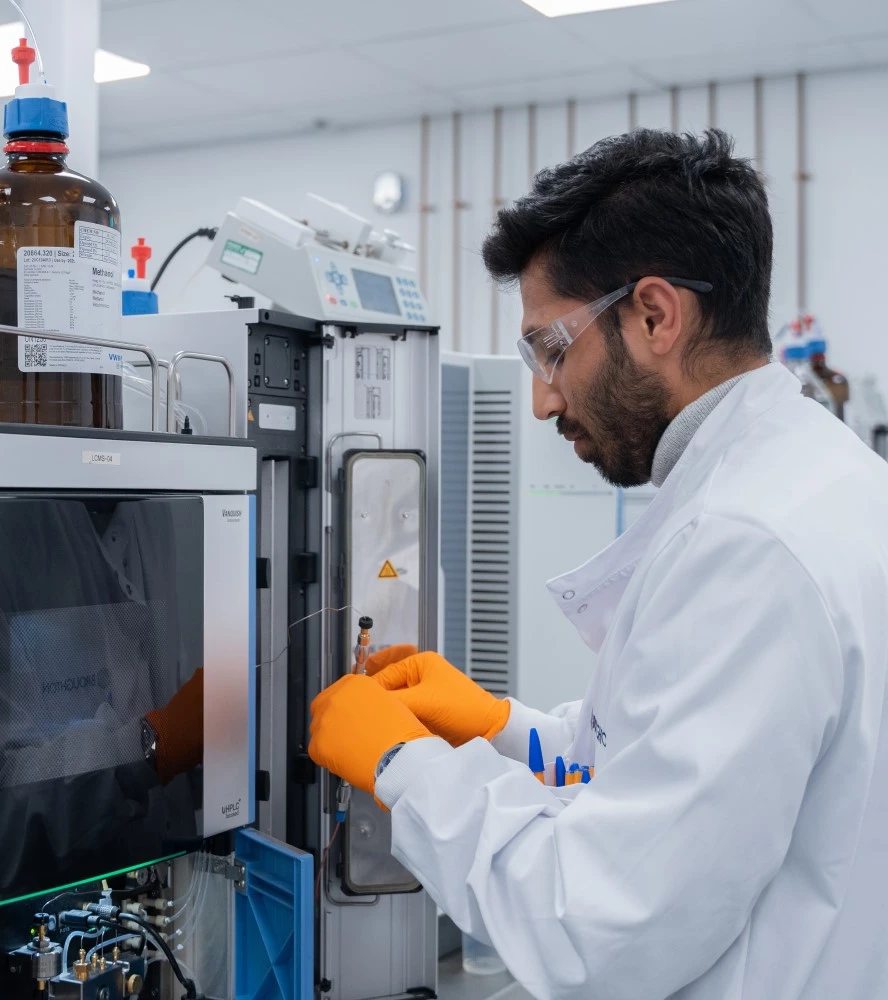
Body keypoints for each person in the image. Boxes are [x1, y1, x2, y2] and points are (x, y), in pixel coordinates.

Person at [308, 129, 888, 1000]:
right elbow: (670, 762)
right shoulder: (818, 479)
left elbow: (599, 925)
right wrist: (501, 724)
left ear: (655, 316)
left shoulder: (751, 544)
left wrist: (405, 767)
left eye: (551, 348)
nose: (543, 397)